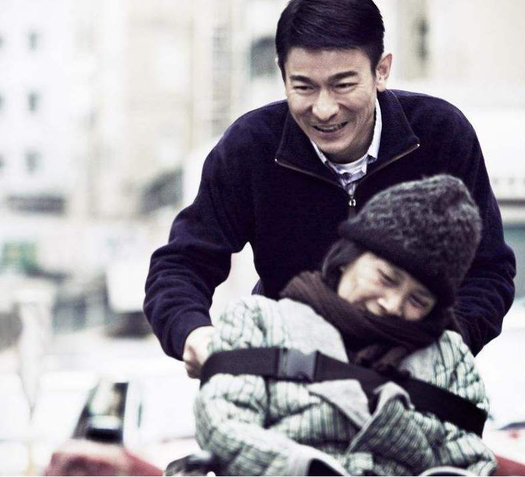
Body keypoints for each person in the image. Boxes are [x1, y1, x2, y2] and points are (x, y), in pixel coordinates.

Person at [144, 0, 516, 378]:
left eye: (343, 85)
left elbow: (489, 271)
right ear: (282, 74)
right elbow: (183, 263)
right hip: (287, 371)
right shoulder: (250, 146)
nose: (323, 109)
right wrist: (193, 333)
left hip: (416, 375)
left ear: (381, 71)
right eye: (303, 87)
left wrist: (444, 350)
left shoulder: (441, 133)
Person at [194, 175, 497, 476]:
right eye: (386, 278)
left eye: (418, 300)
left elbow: (469, 460)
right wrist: (305, 469)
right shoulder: (259, 321)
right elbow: (223, 424)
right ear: (346, 258)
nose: (393, 305)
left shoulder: (449, 359)